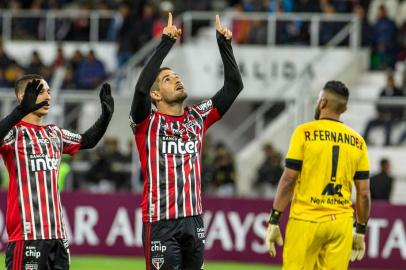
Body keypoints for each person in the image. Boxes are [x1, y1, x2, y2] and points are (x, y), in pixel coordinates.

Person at [130, 13, 243, 270]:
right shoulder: (146, 123)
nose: (177, 79)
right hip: (161, 222)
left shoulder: (197, 116)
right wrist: (166, 43)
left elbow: (234, 86)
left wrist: (224, 44)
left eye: (177, 76)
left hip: (194, 221)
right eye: (168, 79)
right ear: (156, 94)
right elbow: (139, 90)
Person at [0, 74, 114, 270]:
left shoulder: (54, 133)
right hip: (27, 235)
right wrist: (19, 111)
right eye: (40, 91)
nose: (48, 97)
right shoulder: (14, 133)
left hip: (58, 236)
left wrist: (105, 118)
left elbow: (87, 140)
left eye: (49, 92)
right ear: (21, 96)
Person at [265, 81, 371, 269]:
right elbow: (363, 193)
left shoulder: (304, 133)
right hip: (341, 224)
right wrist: (360, 230)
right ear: (344, 108)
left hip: (307, 220)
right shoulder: (358, 141)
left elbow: (289, 179)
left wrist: (274, 219)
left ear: (322, 103)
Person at [363, 74, 404, 146]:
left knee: (388, 123)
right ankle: (365, 140)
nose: (389, 83)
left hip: (395, 117)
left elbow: (400, 107)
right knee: (370, 122)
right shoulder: (383, 91)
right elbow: (378, 105)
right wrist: (381, 114)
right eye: (388, 81)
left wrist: (391, 115)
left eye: (391, 81)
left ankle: (387, 143)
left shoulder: (399, 92)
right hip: (382, 116)